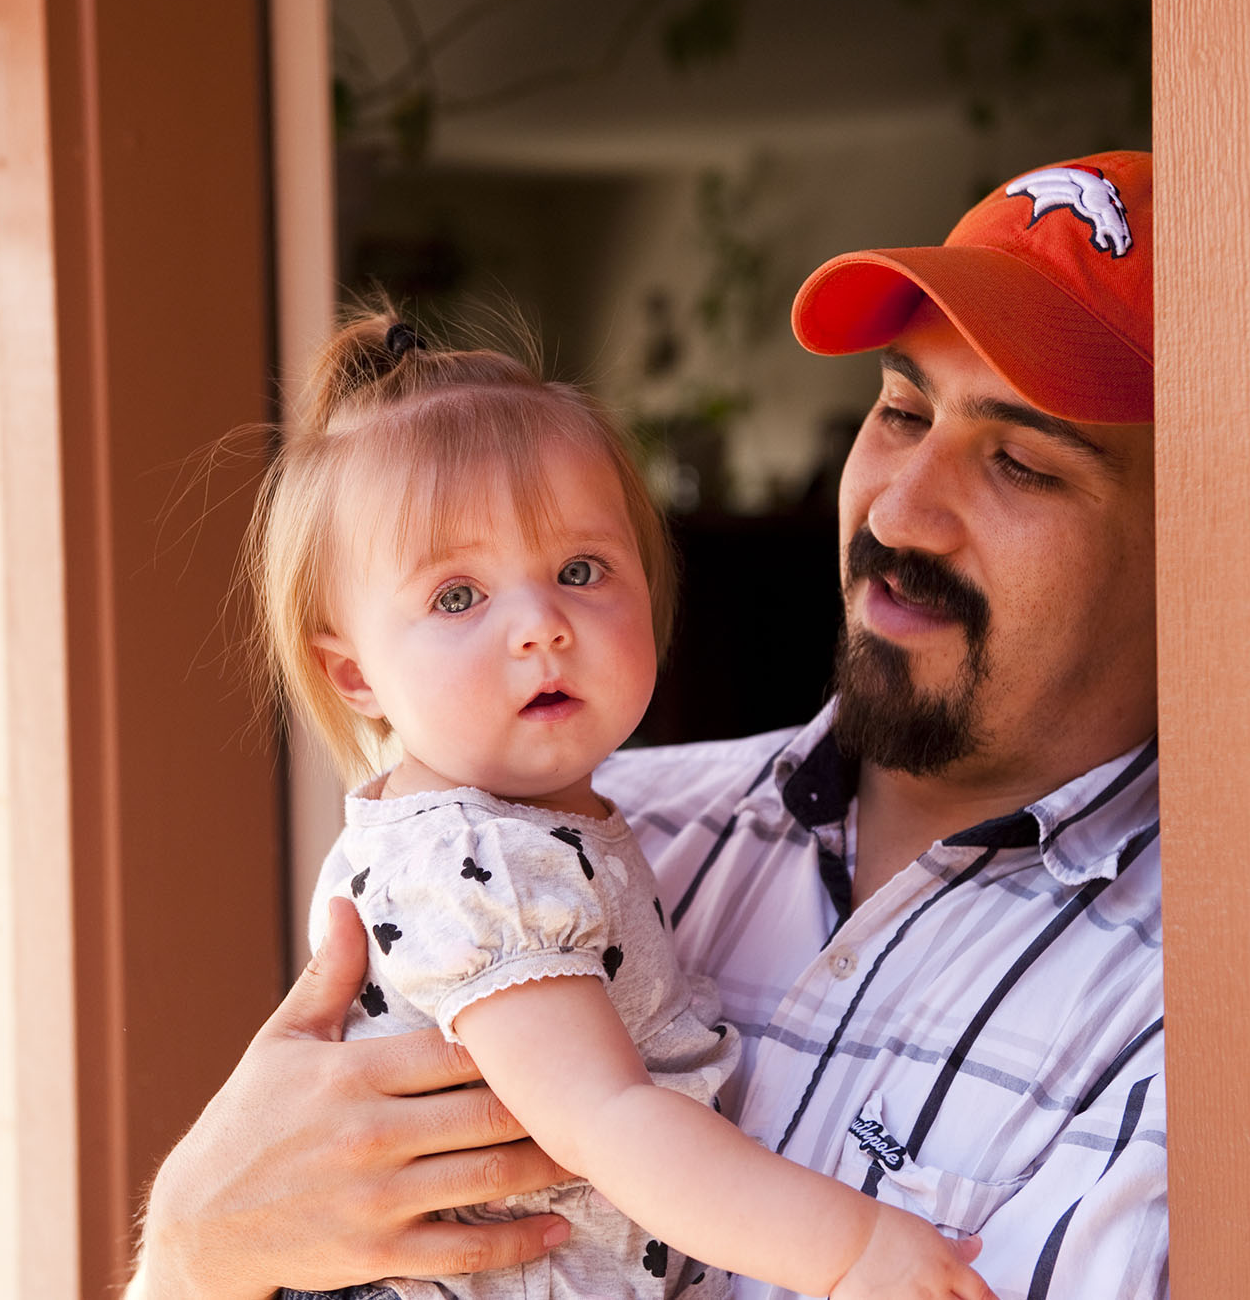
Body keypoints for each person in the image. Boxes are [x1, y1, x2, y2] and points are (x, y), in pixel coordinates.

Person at [133, 149, 1165, 1300]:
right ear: (354, 669)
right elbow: (597, 1118)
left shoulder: (1188, 1008)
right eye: (899, 409)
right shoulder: (536, 852)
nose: (899, 507)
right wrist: (191, 1252)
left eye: (1018, 461)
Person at [170, 312, 997, 1300]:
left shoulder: (549, 823)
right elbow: (605, 1116)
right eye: (456, 596)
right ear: (354, 675)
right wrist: (851, 1248)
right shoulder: (476, 863)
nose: (540, 627)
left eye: (577, 570)